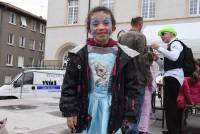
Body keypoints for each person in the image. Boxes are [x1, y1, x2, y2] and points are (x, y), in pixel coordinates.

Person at [59, 6, 141, 134]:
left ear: (113, 28)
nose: (101, 27)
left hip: (113, 109)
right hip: (86, 108)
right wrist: (70, 111)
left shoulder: (125, 55)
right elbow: (69, 86)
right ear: (89, 29)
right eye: (95, 24)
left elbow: (133, 88)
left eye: (106, 23)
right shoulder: (79, 54)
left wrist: (130, 114)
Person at [118, 16, 153, 134]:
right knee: (135, 109)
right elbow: (142, 60)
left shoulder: (122, 36)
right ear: (140, 24)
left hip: (124, 77)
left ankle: (125, 130)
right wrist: (149, 77)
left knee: (126, 108)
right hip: (137, 78)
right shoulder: (140, 36)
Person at [151, 26, 184, 134]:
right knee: (169, 105)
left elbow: (174, 57)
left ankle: (173, 131)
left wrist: (159, 48)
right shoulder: (171, 45)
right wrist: (157, 60)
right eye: (161, 35)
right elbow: (166, 66)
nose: (162, 37)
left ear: (171, 33)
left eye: (163, 34)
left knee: (170, 105)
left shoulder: (176, 43)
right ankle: (172, 130)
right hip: (172, 76)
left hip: (173, 77)